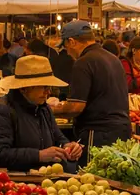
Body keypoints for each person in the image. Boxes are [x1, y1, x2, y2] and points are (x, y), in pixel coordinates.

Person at [0, 55, 84, 172]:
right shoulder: (2, 111)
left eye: (49, 86)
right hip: (16, 185)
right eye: (43, 87)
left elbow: (58, 137)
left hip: (44, 181)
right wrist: (39, 155)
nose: (48, 91)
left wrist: (68, 146)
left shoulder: (43, 108)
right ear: (23, 88)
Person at [53, 21, 131, 155]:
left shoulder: (83, 62)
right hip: (122, 131)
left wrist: (52, 110)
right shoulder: (113, 59)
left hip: (98, 134)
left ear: (72, 42)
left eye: (65, 47)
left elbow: (76, 107)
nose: (67, 52)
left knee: (92, 175)